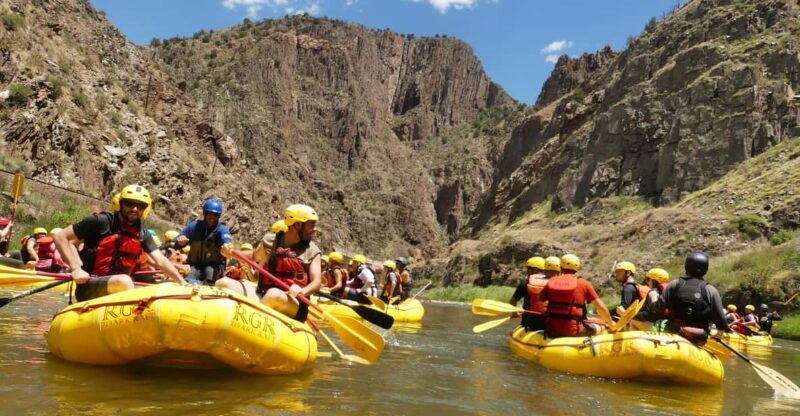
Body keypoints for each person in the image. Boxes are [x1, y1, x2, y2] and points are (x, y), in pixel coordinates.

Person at [54, 185, 186, 301]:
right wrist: (76, 268)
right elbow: (60, 236)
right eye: (129, 204)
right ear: (121, 204)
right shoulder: (100, 221)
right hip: (90, 285)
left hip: (119, 287)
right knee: (124, 280)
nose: (134, 209)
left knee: (163, 286)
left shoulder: (142, 233)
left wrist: (182, 282)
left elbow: (160, 260)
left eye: (140, 206)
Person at [217, 204, 322, 322]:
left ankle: (250, 321)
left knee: (273, 295)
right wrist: (231, 253)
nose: (315, 229)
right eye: (311, 225)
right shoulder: (271, 241)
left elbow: (317, 282)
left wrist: (302, 291)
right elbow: (254, 256)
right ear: (297, 225)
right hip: (264, 294)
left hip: (293, 302)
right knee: (223, 283)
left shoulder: (313, 251)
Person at [655, 252, 729, 345]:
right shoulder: (711, 290)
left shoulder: (675, 284)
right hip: (698, 335)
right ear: (705, 269)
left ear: (687, 267)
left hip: (673, 330)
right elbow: (721, 321)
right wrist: (719, 333)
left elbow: (658, 308)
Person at [539, 254, 613, 337]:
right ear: (577, 268)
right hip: (575, 332)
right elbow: (601, 307)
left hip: (552, 331)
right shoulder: (584, 283)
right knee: (601, 327)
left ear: (561, 267)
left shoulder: (551, 281)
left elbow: (541, 298)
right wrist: (611, 324)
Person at [175, 198, 234, 285]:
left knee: (209, 271)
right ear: (204, 213)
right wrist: (179, 241)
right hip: (194, 265)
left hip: (214, 266)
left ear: (219, 216)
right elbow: (176, 242)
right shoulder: (194, 226)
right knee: (189, 277)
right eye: (210, 214)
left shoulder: (222, 229)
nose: (212, 217)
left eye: (216, 215)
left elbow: (227, 240)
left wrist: (228, 246)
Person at [509, 256, 555, 331]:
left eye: (529, 269)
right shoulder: (553, 283)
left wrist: (515, 314)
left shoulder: (525, 283)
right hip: (548, 324)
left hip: (528, 324)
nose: (527, 272)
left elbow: (512, 302)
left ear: (534, 269)